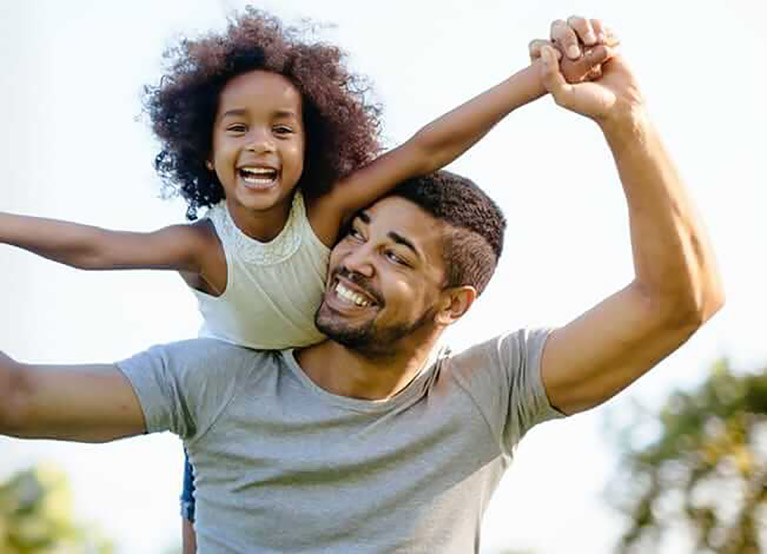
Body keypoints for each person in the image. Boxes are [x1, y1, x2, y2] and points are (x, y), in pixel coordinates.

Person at [0, 15, 723, 553]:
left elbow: (678, 302)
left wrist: (626, 121)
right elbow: (17, 399)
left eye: (396, 255)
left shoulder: (489, 392)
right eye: (358, 232)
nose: (352, 259)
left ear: (454, 304)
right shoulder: (214, 378)